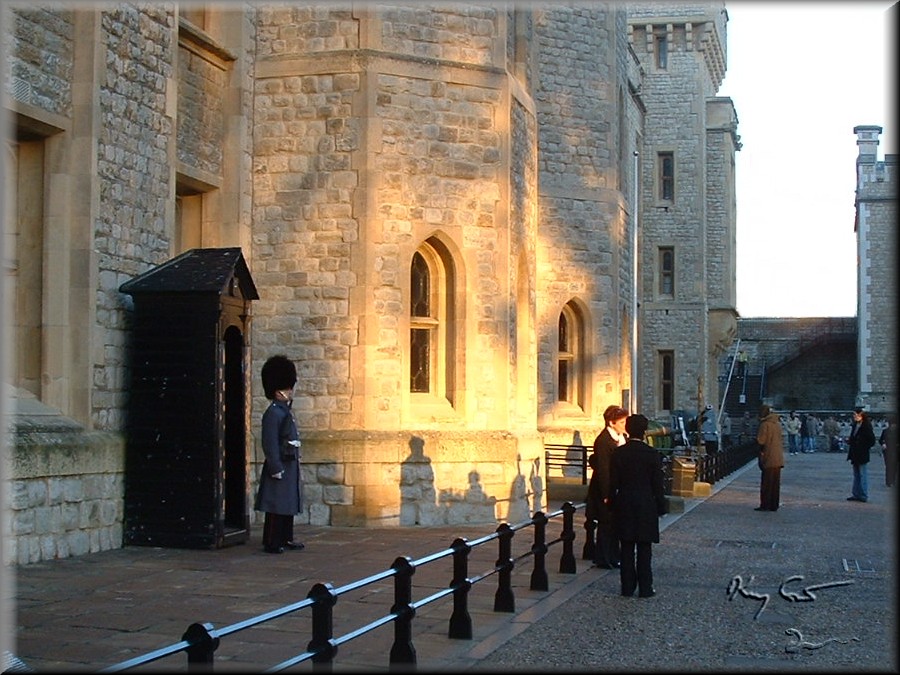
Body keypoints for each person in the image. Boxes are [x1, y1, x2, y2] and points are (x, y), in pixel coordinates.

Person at [610, 414, 667, 598]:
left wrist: (611, 503)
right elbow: (658, 484)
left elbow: (613, 483)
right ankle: (645, 587)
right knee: (644, 548)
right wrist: (661, 506)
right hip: (645, 503)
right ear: (644, 432)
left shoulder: (619, 453)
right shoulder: (652, 454)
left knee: (626, 547)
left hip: (625, 502)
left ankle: (627, 586)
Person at [254, 354, 305, 553]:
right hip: (280, 464)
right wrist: (275, 466)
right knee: (276, 506)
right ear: (277, 391)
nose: (290, 391)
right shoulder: (274, 413)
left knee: (288, 504)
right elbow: (270, 443)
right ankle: (272, 540)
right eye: (287, 387)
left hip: (289, 462)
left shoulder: (284, 410)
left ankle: (286, 537)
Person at [585, 405, 628, 569]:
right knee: (605, 523)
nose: (625, 425)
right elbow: (603, 469)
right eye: (622, 422)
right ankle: (603, 557)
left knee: (615, 524)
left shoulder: (621, 438)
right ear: (612, 423)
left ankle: (613, 555)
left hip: (617, 487)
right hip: (605, 488)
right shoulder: (603, 441)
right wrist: (606, 493)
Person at [756, 404, 785, 512]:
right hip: (778, 456)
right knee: (775, 483)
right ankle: (774, 504)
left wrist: (760, 453)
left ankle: (765, 504)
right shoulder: (777, 424)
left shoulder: (765, 425)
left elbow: (761, 440)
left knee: (767, 483)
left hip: (768, 455)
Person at [846, 407, 875, 502]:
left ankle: (863, 494)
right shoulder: (855, 425)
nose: (854, 417)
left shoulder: (866, 426)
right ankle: (856, 494)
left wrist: (863, 446)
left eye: (855, 415)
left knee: (862, 475)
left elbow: (872, 441)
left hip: (862, 453)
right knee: (857, 475)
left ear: (860, 416)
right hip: (855, 452)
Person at [880, 414, 898, 488]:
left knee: (895, 467)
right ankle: (888, 481)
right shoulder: (885, 431)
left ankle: (893, 481)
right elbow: (881, 440)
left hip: (896, 451)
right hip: (887, 451)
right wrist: (883, 444)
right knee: (888, 466)